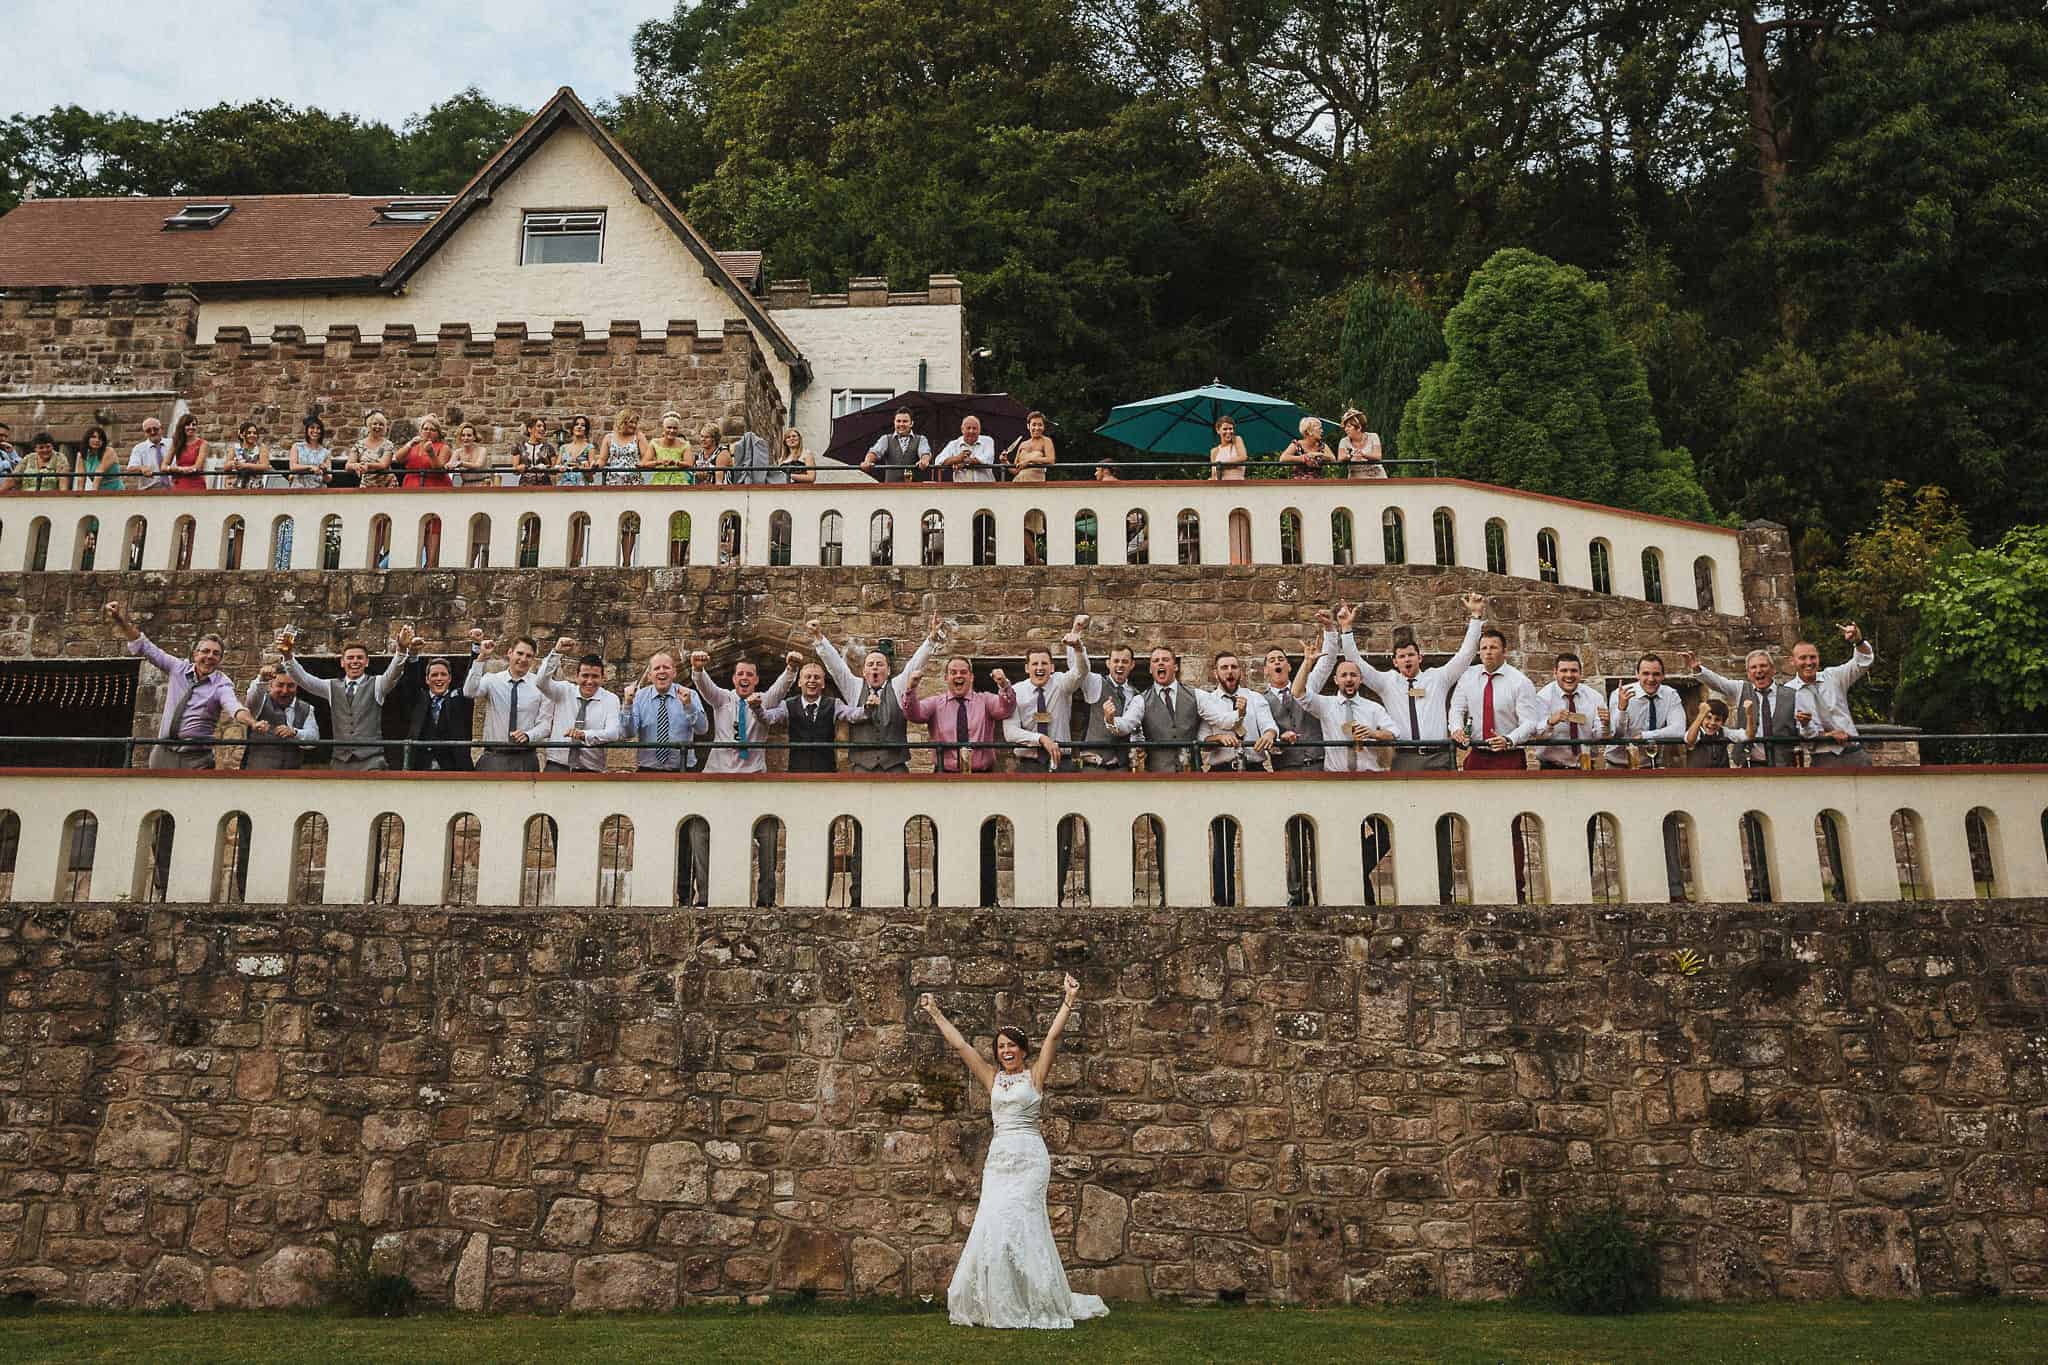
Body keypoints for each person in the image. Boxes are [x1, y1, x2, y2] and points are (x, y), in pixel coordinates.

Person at [920, 978, 1108, 1332]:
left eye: (1011, 1046)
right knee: (994, 1225)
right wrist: (934, 1012)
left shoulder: (1035, 1076)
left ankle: (1036, 1298)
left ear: (1022, 1049)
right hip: (1000, 1161)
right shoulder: (991, 1078)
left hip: (1030, 1160)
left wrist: (1069, 999)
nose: (1005, 1051)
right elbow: (961, 1046)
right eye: (1001, 1046)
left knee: (1026, 1226)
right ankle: (999, 1300)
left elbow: (1052, 1039)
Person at [1338, 594, 1485, 772]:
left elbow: (1465, 655)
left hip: (1438, 756)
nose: (1407, 659)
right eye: (1401, 656)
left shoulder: (1438, 678)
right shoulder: (1386, 682)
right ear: (1395, 662)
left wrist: (1476, 617)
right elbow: (1356, 663)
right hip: (1404, 757)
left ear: (1420, 658)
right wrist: (1346, 629)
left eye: (1410, 655)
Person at [105, 601, 257, 768]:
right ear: (195, 654)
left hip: (196, 757)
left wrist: (252, 722)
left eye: (216, 653)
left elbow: (233, 706)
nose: (210, 656)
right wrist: (120, 620)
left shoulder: (222, 683)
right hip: (163, 752)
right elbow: (145, 646)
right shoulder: (178, 668)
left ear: (220, 659)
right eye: (205, 651)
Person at [810, 614, 941, 774]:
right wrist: (819, 637)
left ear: (888, 670)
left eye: (879, 664)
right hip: (861, 768)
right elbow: (836, 667)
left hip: (895, 767)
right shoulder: (854, 687)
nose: (875, 668)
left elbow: (915, 664)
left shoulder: (897, 686)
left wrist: (932, 639)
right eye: (870, 664)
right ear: (864, 671)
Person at [279, 624, 415, 770]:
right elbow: (304, 680)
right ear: (342, 662)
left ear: (367, 662)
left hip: (371, 761)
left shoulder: (377, 684)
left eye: (359, 658)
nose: (355, 661)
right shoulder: (331, 686)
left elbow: (394, 673)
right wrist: (287, 656)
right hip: (340, 761)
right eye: (350, 658)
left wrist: (401, 650)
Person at [1108, 647, 1220, 773]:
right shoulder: (1140, 700)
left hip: (1191, 775)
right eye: (1156, 660)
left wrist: (1239, 714)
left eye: (1165, 660)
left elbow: (1220, 718)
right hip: (1157, 777)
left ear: (1176, 667)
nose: (1160, 663)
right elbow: (1126, 725)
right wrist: (1110, 719)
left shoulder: (1198, 695)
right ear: (1151, 669)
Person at [1683, 647, 1796, 768]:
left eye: (1763, 666)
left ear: (1773, 669)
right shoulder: (1741, 688)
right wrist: (1698, 669)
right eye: (1753, 667)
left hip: (1783, 763)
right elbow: (1718, 683)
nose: (1758, 670)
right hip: (1749, 762)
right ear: (1748, 673)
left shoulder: (1792, 694)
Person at [1448, 629, 1544, 770]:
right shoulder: (1467, 677)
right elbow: (1457, 708)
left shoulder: (1520, 682)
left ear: (1504, 651)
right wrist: (1456, 729)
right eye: (1484, 648)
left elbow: (1530, 721)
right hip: (1477, 754)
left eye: (1493, 647)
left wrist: (1509, 739)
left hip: (1509, 755)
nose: (1488, 652)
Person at [692, 650, 798, 774]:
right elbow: (706, 687)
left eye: (749, 674)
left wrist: (791, 668)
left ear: (756, 680)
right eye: (740, 674)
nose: (744, 677)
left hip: (753, 771)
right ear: (734, 678)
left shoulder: (763, 700)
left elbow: (780, 688)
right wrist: (698, 670)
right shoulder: (723, 698)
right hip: (718, 770)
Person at [905, 657, 1017, 776]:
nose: (958, 676)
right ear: (946, 678)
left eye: (963, 672)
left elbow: (1007, 709)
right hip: (945, 775)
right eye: (953, 672)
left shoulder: (985, 701)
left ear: (971, 677)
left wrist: (1004, 685)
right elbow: (914, 715)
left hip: (982, 775)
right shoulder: (935, 703)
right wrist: (910, 689)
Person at [1004, 620, 1090, 772]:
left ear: (1052, 667)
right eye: (1035, 664)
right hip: (1028, 765)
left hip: (1063, 763)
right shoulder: (1016, 691)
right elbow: (1010, 732)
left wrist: (1078, 648)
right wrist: (1041, 739)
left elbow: (1080, 672)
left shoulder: (1061, 683)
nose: (1039, 667)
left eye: (1044, 663)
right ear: (1026, 668)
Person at [463, 634, 552, 772]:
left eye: (529, 656)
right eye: (520, 653)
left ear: (533, 659)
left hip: (525, 757)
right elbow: (469, 692)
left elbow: (546, 724)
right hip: (493, 756)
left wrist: (529, 735)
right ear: (510, 653)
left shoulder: (540, 686)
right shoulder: (491, 680)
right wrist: (481, 659)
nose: (523, 659)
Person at [759, 663, 871, 772]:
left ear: (823, 683)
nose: (812, 680)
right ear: (799, 682)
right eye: (808, 677)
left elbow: (853, 714)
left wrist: (868, 708)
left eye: (816, 677)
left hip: (826, 772)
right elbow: (768, 718)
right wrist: (756, 708)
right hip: (797, 772)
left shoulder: (835, 704)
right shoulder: (787, 705)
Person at [1790, 623, 1873, 767]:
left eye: (1812, 657)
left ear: (1818, 658)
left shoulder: (1833, 676)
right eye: (1803, 658)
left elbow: (1862, 662)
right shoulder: (1788, 692)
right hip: (1823, 757)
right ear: (1792, 661)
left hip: (1855, 752)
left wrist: (1858, 641)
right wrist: (1827, 736)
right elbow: (1798, 731)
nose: (1809, 662)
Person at [535, 641, 624, 773]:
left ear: (603, 678)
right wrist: (556, 653)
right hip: (557, 766)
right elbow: (541, 682)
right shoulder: (563, 690)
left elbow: (613, 733)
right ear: (577, 677)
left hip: (590, 769)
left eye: (595, 676)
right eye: (585, 676)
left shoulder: (611, 699)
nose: (589, 681)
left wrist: (584, 735)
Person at [1604, 653, 1689, 770]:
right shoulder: (1621, 693)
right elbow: (1617, 734)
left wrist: (1645, 736)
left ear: (1663, 676)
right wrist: (1622, 709)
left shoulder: (1670, 695)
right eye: (1646, 673)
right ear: (1637, 674)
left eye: (1656, 674)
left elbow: (1679, 730)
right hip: (1618, 765)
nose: (1651, 679)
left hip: (1651, 764)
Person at [1530, 652, 1609, 770]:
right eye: (1564, 670)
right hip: (1552, 768)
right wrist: (1550, 722)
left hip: (1586, 766)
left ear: (1580, 673)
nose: (1569, 675)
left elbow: (1599, 737)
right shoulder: (1542, 697)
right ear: (1555, 673)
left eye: (1574, 671)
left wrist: (1605, 725)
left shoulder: (1594, 697)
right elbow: (1536, 735)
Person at [403, 652, 476, 771]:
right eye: (434, 675)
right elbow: (411, 681)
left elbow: (471, 679)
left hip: (455, 769)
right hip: (421, 768)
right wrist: (413, 655)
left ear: (449, 678)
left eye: (443, 674)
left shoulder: (460, 699)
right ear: (427, 679)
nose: (439, 678)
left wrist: (476, 648)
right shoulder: (419, 699)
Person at [240, 663, 319, 770]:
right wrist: (261, 679)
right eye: (280, 685)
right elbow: (252, 698)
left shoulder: (307, 708)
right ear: (271, 685)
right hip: (257, 775)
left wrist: (295, 733)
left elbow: (314, 738)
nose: (285, 691)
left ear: (297, 686)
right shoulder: (260, 703)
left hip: (291, 776)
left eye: (290, 686)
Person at [1075, 640, 1140, 770]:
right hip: (1092, 764)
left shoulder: (1136, 694)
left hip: (1121, 766)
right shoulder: (1095, 683)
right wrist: (1077, 647)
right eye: (1116, 661)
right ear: (1108, 663)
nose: (1120, 665)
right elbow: (1080, 669)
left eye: (1125, 662)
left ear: (1132, 664)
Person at [1260, 642, 1321, 772]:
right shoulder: (1260, 701)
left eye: (1281, 659)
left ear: (1288, 667)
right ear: (1265, 670)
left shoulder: (1307, 689)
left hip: (1318, 765)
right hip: (1286, 768)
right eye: (1272, 660)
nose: (1277, 662)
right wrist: (1280, 739)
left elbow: (1327, 664)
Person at [863, 408, 928, 483]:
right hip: (891, 489)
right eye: (898, 421)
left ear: (911, 423)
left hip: (914, 489)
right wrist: (867, 461)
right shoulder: (885, 439)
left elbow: (925, 453)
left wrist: (924, 460)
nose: (901, 424)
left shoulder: (921, 439)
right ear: (894, 422)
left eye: (905, 421)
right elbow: (875, 452)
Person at [935, 415, 996, 483]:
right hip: (961, 489)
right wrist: (957, 459)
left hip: (986, 488)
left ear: (979, 430)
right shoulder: (953, 444)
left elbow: (987, 458)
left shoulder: (988, 441)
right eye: (968, 428)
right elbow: (938, 462)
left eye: (974, 428)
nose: (971, 431)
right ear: (962, 429)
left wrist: (964, 462)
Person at [343, 412, 396, 489]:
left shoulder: (388, 444)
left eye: (381, 424)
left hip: (387, 485)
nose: (378, 427)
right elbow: (347, 466)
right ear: (368, 426)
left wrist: (367, 465)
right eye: (375, 424)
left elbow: (384, 464)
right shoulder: (358, 445)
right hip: (367, 485)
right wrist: (355, 466)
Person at [396, 417, 453, 489]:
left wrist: (431, 453)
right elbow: (398, 459)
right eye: (425, 429)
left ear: (438, 433)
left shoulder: (444, 448)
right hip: (411, 485)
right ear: (421, 431)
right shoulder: (413, 445)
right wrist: (409, 444)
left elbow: (438, 468)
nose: (428, 432)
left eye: (432, 430)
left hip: (435, 485)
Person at [601, 410, 647, 487]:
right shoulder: (608, 438)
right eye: (631, 422)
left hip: (634, 481)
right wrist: (594, 467)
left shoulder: (639, 436)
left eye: (635, 423)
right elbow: (602, 459)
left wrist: (640, 465)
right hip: (613, 481)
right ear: (622, 422)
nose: (634, 425)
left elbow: (646, 456)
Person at [644, 413, 692, 485]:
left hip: (678, 481)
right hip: (659, 480)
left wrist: (676, 463)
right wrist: (659, 462)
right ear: (663, 428)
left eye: (675, 428)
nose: (672, 430)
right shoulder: (654, 443)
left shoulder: (685, 444)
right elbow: (645, 463)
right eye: (669, 427)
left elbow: (689, 463)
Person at [1337, 408, 1385, 478]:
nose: (1346, 429)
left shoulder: (1373, 437)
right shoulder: (1344, 441)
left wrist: (1363, 454)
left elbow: (1378, 456)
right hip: (1355, 479)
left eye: (1349, 427)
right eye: (1345, 427)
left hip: (1376, 477)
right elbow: (1340, 458)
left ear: (1359, 427)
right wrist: (1350, 455)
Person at [163, 413, 207, 491]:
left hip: (196, 484)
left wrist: (173, 469)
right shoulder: (176, 443)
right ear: (182, 427)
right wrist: (179, 469)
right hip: (180, 484)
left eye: (193, 425)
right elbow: (163, 466)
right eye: (187, 425)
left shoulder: (203, 444)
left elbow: (197, 467)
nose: (191, 427)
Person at [1008, 412, 1056, 483]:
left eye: (1040, 425)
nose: (1037, 428)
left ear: (1043, 426)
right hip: (1018, 482)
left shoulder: (1046, 441)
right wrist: (1005, 461)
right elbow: (1015, 470)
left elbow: (1051, 460)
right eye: (1034, 425)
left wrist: (1029, 460)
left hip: (1036, 484)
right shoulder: (1022, 444)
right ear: (1028, 426)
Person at [126, 417, 171, 490]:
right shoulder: (139, 448)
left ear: (161, 429)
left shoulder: (172, 444)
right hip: (149, 491)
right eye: (148, 430)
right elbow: (130, 468)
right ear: (145, 433)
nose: (152, 432)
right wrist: (141, 468)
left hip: (174, 489)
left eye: (155, 429)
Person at [289, 417, 332, 489]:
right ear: (307, 430)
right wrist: (310, 467)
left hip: (319, 490)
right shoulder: (297, 447)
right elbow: (293, 467)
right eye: (312, 427)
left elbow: (329, 479)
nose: (315, 430)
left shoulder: (326, 452)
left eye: (318, 428)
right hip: (299, 489)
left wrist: (324, 471)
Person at [228, 421, 271, 489]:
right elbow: (226, 466)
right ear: (242, 435)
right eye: (249, 433)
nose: (252, 435)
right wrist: (233, 463)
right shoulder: (234, 448)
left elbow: (265, 466)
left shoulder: (261, 448)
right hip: (237, 485)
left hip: (255, 486)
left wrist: (245, 465)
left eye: (255, 433)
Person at [77, 425, 120, 492]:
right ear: (87, 439)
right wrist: (78, 497)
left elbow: (98, 475)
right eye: (93, 437)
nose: (97, 440)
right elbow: (81, 479)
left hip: (114, 491)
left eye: (100, 438)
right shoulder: (82, 455)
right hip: (98, 491)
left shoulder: (109, 451)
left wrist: (94, 497)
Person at [449, 421, 492, 486]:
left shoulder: (482, 450)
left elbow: (478, 465)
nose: (466, 438)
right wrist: (448, 465)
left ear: (474, 437)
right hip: (466, 485)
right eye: (463, 435)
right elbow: (450, 465)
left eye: (469, 435)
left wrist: (461, 463)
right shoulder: (457, 452)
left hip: (483, 484)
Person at [557, 415, 596, 486]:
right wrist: (561, 468)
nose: (579, 427)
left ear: (586, 430)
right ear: (572, 428)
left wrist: (581, 467)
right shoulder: (563, 448)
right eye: (576, 424)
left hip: (581, 486)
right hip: (564, 486)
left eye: (583, 425)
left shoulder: (590, 448)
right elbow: (556, 468)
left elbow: (591, 475)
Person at [1209, 415, 1248, 481]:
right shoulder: (1214, 451)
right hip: (1220, 487)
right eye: (1225, 429)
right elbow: (1213, 475)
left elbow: (1243, 457)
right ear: (1218, 430)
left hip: (1237, 485)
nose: (1228, 432)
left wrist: (1221, 466)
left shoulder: (1237, 440)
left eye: (1230, 428)